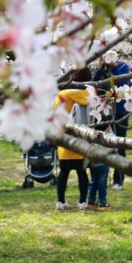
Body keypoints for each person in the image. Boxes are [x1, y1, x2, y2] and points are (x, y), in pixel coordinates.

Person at [51, 66, 92, 211]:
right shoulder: (90, 95)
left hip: (65, 137)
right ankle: (83, 201)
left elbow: (54, 112)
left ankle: (61, 201)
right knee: (82, 172)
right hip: (83, 138)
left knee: (64, 171)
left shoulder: (62, 94)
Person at [92, 50, 132, 189]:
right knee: (100, 144)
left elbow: (123, 84)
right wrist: (100, 69)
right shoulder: (102, 69)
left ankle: (118, 180)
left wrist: (114, 66)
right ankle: (99, 178)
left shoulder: (123, 67)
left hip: (120, 112)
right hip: (103, 112)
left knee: (120, 146)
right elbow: (94, 86)